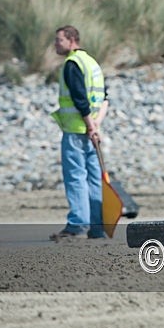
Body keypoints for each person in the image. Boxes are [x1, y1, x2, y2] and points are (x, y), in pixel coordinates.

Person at [49, 25, 109, 240]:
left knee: (75, 178)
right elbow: (105, 98)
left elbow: (79, 97)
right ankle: (97, 227)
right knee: (94, 179)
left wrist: (91, 125)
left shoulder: (72, 63)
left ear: (72, 40)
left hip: (76, 131)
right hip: (91, 131)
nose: (56, 44)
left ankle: (77, 225)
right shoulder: (92, 63)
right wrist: (96, 125)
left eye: (59, 40)